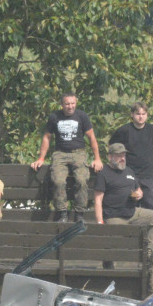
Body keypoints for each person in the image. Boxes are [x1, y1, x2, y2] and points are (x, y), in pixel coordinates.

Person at [94, 143, 153, 275]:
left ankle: (149, 255)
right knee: (115, 241)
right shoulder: (104, 174)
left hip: (132, 212)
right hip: (114, 215)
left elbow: (138, 189)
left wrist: (139, 194)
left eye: (124, 156)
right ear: (110, 157)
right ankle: (109, 266)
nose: (122, 159)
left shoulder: (129, 171)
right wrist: (100, 222)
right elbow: (98, 200)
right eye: (119, 156)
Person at [30, 92, 103, 222]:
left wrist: (97, 158)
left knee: (81, 180)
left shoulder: (82, 116)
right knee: (58, 181)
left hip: (78, 153)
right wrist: (41, 158)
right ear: (62, 104)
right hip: (60, 153)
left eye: (73, 103)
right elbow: (47, 137)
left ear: (76, 103)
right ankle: (62, 212)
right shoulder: (54, 117)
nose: (70, 106)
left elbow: (91, 137)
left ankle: (79, 213)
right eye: (67, 104)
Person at [108, 101, 153, 210]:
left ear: (147, 115)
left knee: (149, 205)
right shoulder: (124, 130)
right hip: (129, 174)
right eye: (138, 114)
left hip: (148, 175)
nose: (140, 117)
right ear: (132, 114)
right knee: (129, 205)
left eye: (143, 114)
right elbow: (111, 146)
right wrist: (116, 163)